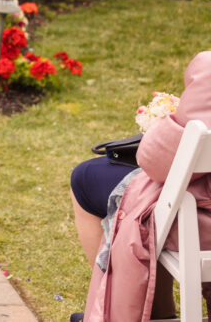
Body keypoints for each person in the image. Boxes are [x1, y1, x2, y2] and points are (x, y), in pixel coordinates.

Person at [72, 50, 211, 321]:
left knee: (86, 179)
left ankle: (135, 313)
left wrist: (161, 126)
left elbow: (157, 162)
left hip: (199, 224)